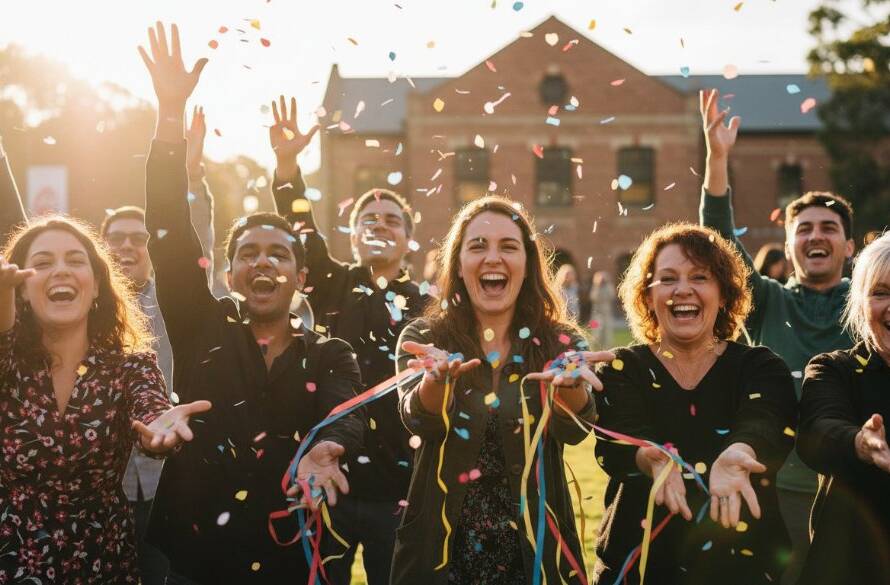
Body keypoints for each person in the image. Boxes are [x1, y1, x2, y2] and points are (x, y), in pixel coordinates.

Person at [136, 23, 364, 584]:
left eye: (279, 255)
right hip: (195, 558)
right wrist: (169, 115)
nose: (264, 263)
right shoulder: (199, 323)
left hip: (292, 555)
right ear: (230, 269)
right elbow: (167, 222)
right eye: (249, 253)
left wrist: (327, 447)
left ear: (300, 276)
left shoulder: (330, 354)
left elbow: (347, 413)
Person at [394, 195, 614, 584]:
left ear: (527, 265)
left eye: (508, 246)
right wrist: (436, 380)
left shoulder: (561, 342)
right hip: (442, 555)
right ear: (458, 265)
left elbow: (576, 430)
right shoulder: (425, 337)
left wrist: (571, 389)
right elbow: (419, 421)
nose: (493, 257)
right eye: (477, 246)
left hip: (535, 555)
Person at [697, 88, 855, 583]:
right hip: (781, 485)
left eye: (829, 227)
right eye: (803, 228)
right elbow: (721, 243)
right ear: (788, 245)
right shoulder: (768, 300)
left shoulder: (872, 305)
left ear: (849, 245)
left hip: (855, 484)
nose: (816, 236)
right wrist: (717, 160)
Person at [0, 216, 210, 583]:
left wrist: (161, 430)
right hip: (11, 559)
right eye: (44, 262)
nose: (60, 271)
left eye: (75, 261)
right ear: (20, 288)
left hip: (100, 563)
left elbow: (151, 407)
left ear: (97, 285)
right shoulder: (8, 361)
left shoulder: (130, 366)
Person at [268, 95, 425, 585]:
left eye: (392, 220)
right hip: (329, 472)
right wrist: (288, 164)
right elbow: (299, 226)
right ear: (353, 237)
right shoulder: (334, 282)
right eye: (368, 220)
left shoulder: (429, 307)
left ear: (407, 240)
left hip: (401, 485)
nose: (379, 225)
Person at [592, 223, 797, 584]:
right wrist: (648, 454)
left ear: (724, 294)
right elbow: (618, 441)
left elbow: (765, 420)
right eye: (667, 278)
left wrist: (740, 448)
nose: (682, 289)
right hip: (637, 569)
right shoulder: (623, 367)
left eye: (700, 277)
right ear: (648, 295)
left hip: (740, 569)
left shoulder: (761, 367)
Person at [100, 106, 215, 585]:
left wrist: (190, 173)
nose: (128, 246)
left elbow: (197, 235)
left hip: (174, 482)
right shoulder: (85, 311)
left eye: (139, 238)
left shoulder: (179, 299)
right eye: (116, 239)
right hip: (107, 487)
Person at [796, 231, 890, 584]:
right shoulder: (835, 369)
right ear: (860, 303)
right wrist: (859, 443)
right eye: (880, 293)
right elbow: (817, 432)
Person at [589, 270, 616, 349]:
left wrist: (608, 284)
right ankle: (594, 346)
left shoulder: (609, 286)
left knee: (607, 331)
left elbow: (612, 296)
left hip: (607, 313)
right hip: (596, 313)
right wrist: (598, 286)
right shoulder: (595, 287)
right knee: (596, 331)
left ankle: (607, 347)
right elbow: (593, 297)